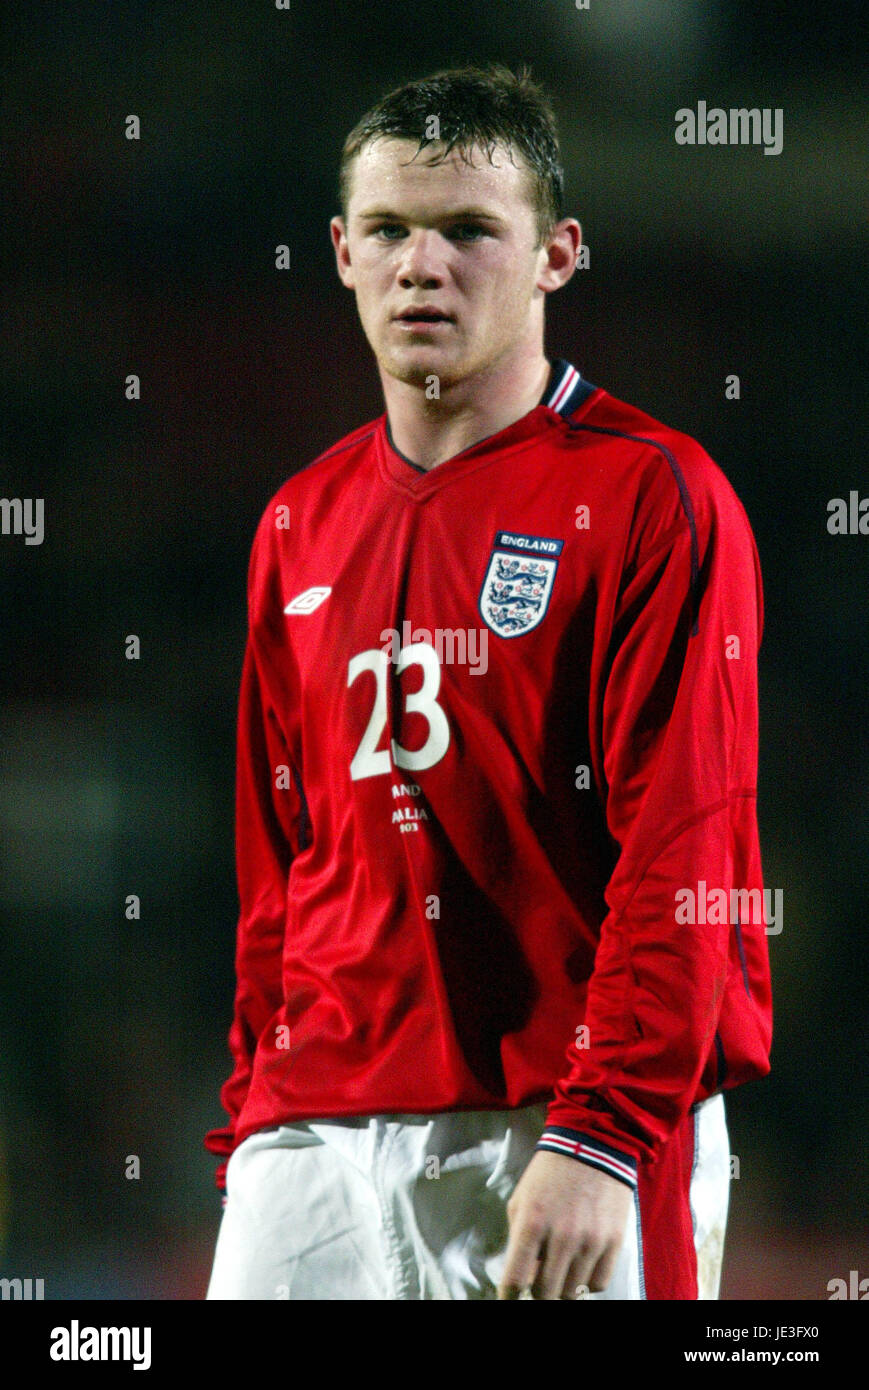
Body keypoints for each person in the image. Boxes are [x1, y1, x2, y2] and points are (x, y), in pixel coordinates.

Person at [204, 63, 772, 1301]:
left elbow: (686, 852)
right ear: (342, 255)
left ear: (557, 255)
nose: (423, 265)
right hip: (316, 1132)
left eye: (468, 231)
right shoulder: (297, 521)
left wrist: (602, 1134)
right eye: (391, 231)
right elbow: (276, 864)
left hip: (555, 1123)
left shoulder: (651, 497)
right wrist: (252, 1111)